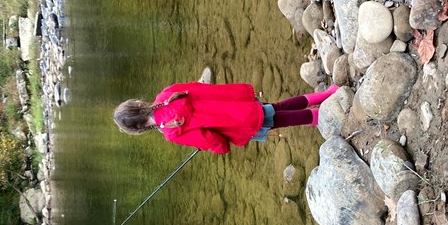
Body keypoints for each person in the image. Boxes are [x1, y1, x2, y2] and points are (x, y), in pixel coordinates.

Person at [113, 82, 338, 154]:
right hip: (236, 104)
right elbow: (200, 88)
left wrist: (221, 148)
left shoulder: (172, 132)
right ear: (139, 105)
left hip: (240, 122)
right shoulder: (167, 94)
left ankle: (323, 116)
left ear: (139, 129)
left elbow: (209, 140)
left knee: (280, 119)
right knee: (276, 107)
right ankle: (327, 94)